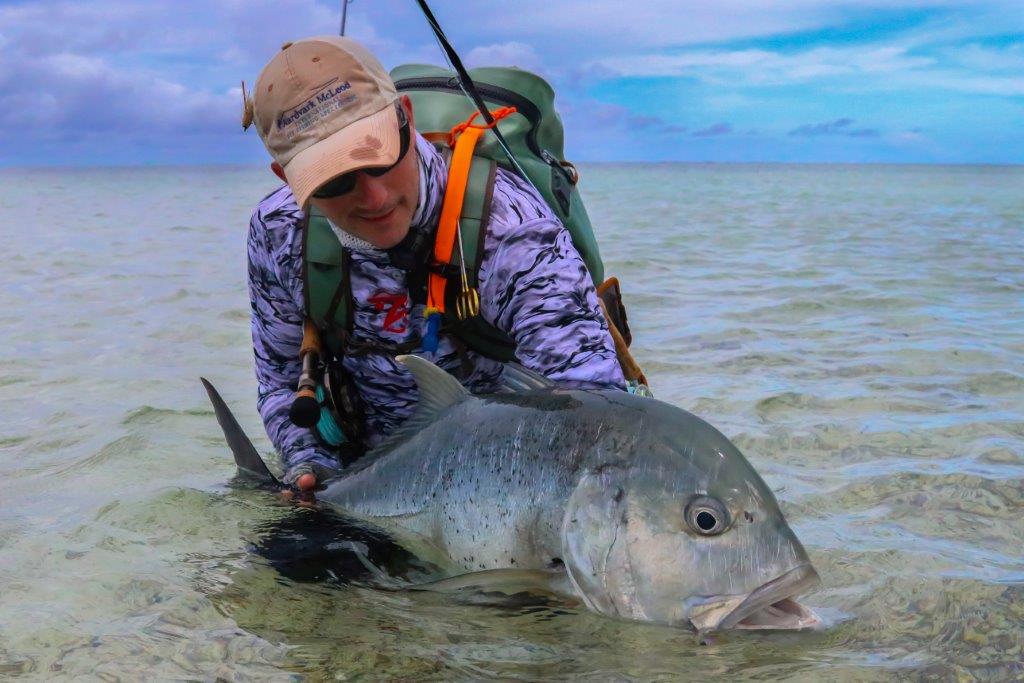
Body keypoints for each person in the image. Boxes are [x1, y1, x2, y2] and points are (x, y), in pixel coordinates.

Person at [245, 35, 625, 491]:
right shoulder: (278, 231)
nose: (375, 197)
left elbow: (592, 413)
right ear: (288, 180)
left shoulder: (512, 229)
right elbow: (282, 378)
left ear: (404, 116)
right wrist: (311, 467)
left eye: (378, 157)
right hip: (362, 475)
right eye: (334, 182)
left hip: (502, 479)